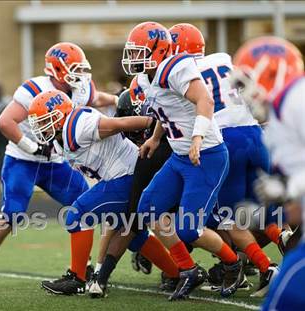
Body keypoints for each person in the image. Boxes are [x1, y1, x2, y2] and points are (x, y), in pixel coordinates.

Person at [0, 42, 116, 288]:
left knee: (85, 207)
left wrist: (117, 99)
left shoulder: (82, 87)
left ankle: (80, 270)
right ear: (55, 70)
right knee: (12, 213)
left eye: (81, 68)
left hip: (55, 162)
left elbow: (96, 99)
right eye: (73, 68)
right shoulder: (34, 88)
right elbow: (5, 121)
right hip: (23, 160)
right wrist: (32, 147)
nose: (81, 74)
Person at [109, 21, 243, 300]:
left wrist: (196, 138)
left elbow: (204, 101)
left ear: (159, 51)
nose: (133, 58)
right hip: (181, 157)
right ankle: (188, 270)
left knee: (189, 228)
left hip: (205, 156)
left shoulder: (176, 68)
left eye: (139, 52)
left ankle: (233, 264)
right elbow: (164, 108)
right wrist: (156, 138)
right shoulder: (147, 76)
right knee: (148, 208)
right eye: (132, 52)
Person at [27, 90, 179, 296]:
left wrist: (153, 126)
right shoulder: (62, 136)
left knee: (77, 216)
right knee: (134, 236)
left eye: (44, 121)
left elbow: (120, 124)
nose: (41, 128)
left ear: (59, 115)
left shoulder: (79, 125)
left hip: (127, 176)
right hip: (122, 177)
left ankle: (77, 278)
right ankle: (177, 273)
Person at [169, 23, 279, 297]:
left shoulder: (182, 74)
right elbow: (257, 100)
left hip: (227, 141)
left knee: (229, 221)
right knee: (265, 210)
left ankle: (265, 269)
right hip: (255, 134)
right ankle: (284, 242)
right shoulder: (225, 60)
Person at [230, 36, 305, 311]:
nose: (242, 92)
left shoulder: (297, 102)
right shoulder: (278, 114)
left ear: (270, 74)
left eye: (244, 82)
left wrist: (288, 188)